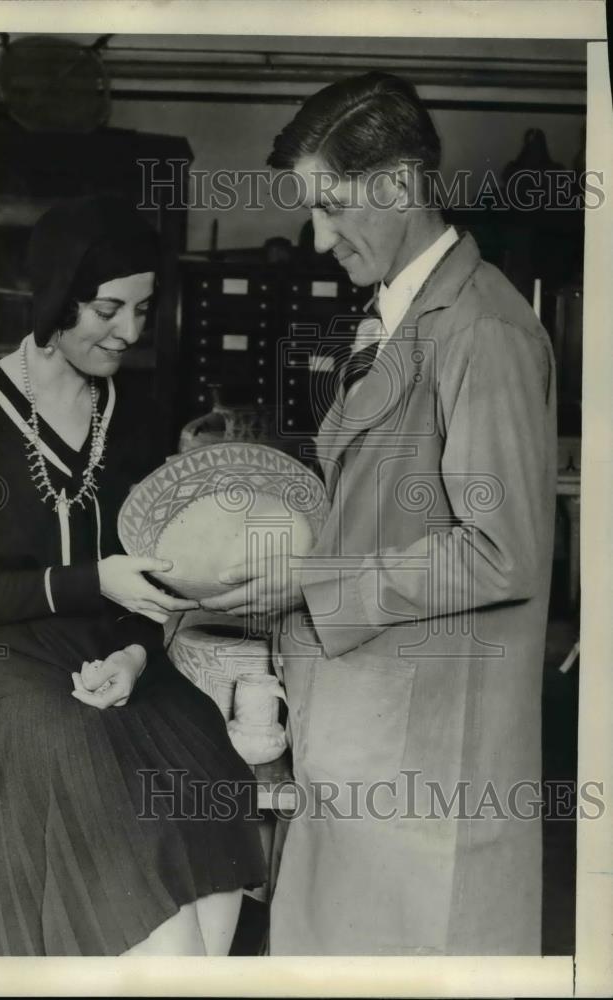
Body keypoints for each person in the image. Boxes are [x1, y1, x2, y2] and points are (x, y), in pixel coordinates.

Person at [202, 73, 557, 955]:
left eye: (332, 208)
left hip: (426, 763)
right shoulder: (397, 314)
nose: (318, 239)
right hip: (367, 735)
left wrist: (312, 580)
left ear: (399, 186)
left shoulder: (484, 331)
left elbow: (501, 550)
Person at [0, 195, 267, 956]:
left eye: (143, 308)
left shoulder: (132, 414)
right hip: (4, 677)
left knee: (208, 766)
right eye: (106, 308)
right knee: (94, 785)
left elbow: (152, 579)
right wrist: (92, 582)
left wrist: (134, 652)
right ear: (57, 297)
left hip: (114, 663)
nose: (129, 331)